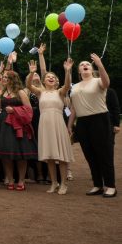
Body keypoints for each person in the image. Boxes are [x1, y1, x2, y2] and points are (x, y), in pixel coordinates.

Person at [26, 46, 74, 194]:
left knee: (62, 156)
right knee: (51, 157)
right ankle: (53, 183)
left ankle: (64, 184)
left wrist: (67, 71)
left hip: (58, 124)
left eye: (53, 77)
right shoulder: (40, 92)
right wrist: (32, 72)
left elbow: (67, 85)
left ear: (56, 81)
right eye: (48, 77)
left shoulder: (60, 92)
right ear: (44, 80)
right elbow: (28, 85)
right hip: (45, 125)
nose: (50, 78)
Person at [69, 53, 115, 198]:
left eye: (87, 64)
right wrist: (70, 125)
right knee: (90, 155)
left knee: (104, 154)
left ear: (92, 68)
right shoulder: (75, 87)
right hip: (82, 123)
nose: (85, 65)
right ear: (79, 71)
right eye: (82, 65)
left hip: (99, 119)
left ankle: (110, 186)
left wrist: (100, 64)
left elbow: (107, 83)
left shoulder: (98, 81)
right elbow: (74, 108)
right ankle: (97, 185)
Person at [0, 69, 37, 191]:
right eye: (3, 77)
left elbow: (29, 110)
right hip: (4, 123)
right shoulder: (2, 92)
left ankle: (21, 180)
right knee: (6, 154)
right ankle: (10, 180)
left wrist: (15, 110)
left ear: (12, 79)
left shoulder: (20, 92)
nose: (3, 79)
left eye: (6, 77)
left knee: (20, 153)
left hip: (18, 124)